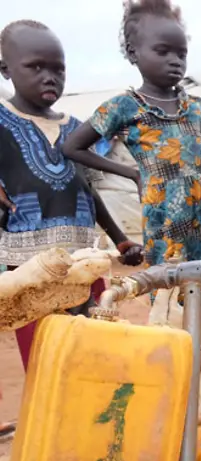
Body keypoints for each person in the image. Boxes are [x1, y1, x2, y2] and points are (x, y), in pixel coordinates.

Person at [62, 0, 201, 337]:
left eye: (181, 53)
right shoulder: (123, 107)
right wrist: (134, 173)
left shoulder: (196, 106)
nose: (175, 60)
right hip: (166, 215)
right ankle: (185, 360)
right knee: (174, 290)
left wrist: (197, 175)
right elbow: (72, 147)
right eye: (163, 51)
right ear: (133, 52)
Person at [0, 20, 142, 370]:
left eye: (58, 69)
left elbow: (87, 190)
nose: (49, 77)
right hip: (29, 267)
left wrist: (121, 240)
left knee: (93, 353)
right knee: (44, 359)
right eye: (35, 67)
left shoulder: (77, 129)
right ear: (5, 70)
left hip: (85, 262)